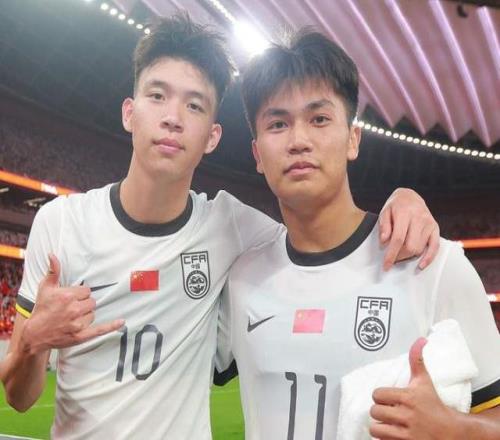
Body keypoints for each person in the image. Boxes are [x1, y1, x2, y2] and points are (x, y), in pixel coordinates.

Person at [1, 15, 439, 440]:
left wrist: (405, 198)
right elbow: (20, 398)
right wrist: (31, 343)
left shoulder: (230, 227)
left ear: (212, 136)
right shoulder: (61, 224)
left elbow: (321, 236)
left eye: (194, 105)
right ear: (129, 113)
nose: (173, 117)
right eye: (158, 96)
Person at [215, 29, 500, 439]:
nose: (298, 140)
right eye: (278, 124)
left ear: (352, 139)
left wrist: (454, 428)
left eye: (319, 119)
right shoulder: (241, 278)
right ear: (258, 154)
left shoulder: (433, 265)